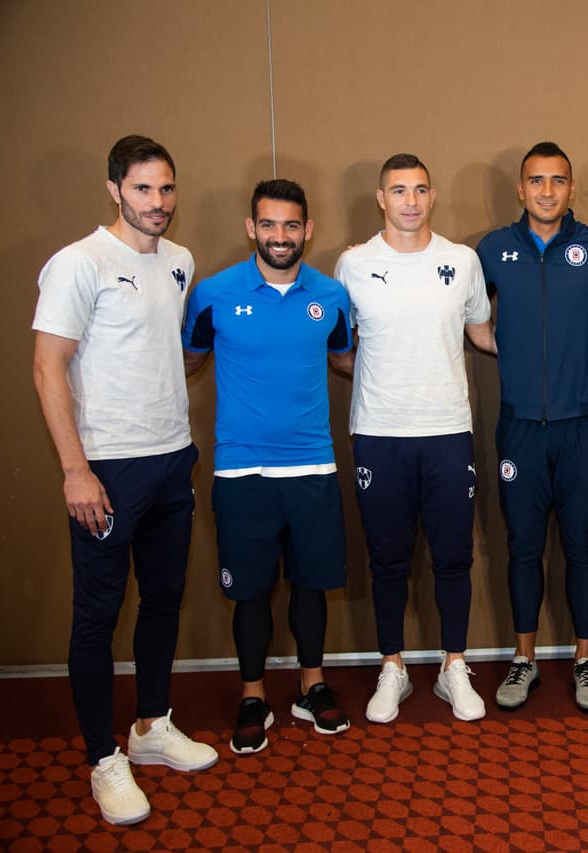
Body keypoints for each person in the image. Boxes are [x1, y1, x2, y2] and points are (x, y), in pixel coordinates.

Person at [32, 134, 217, 826]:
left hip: (173, 458)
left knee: (163, 597)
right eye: (142, 189)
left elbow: (168, 353)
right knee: (98, 616)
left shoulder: (180, 260)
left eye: (166, 188)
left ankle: (150, 728)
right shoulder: (78, 264)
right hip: (106, 467)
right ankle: (103, 758)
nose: (158, 202)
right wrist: (74, 469)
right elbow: (48, 366)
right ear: (115, 189)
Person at [182, 179, 352, 754]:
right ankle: (253, 695)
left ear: (309, 230)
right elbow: (187, 361)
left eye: (292, 225)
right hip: (240, 473)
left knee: (310, 585)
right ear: (251, 228)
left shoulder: (330, 296)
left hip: (312, 467)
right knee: (250, 593)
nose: (281, 237)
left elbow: (346, 358)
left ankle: (312, 686)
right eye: (269, 225)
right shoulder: (212, 293)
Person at [332, 154, 492, 723]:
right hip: (379, 433)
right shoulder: (351, 264)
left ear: (432, 195)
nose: (410, 201)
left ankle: (453, 665)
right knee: (387, 559)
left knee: (453, 556)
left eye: (420, 189)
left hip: (448, 430)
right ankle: (393, 666)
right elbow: (340, 346)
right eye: (398, 190)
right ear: (381, 198)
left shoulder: (462, 261)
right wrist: (385, 374)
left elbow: (482, 334)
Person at [475, 142, 588, 713]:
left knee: (582, 544)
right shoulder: (492, 249)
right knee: (522, 547)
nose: (546, 190)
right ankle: (524, 659)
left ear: (570, 189)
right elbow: (469, 318)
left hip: (582, 422)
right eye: (535, 181)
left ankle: (585, 658)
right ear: (520, 189)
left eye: (557, 181)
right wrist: (507, 349)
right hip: (519, 427)